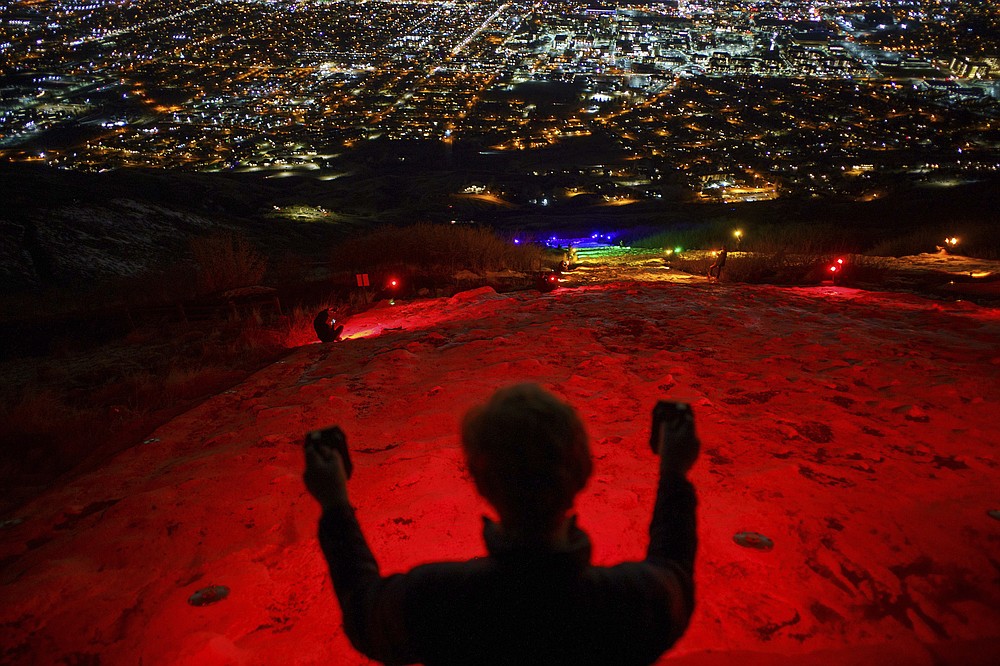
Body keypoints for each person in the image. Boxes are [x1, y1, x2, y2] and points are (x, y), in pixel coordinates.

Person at [303, 383, 699, 666]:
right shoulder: (624, 606)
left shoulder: (438, 601)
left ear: (480, 481)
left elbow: (364, 612)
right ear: (582, 472)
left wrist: (335, 504)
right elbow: (674, 575)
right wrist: (674, 474)